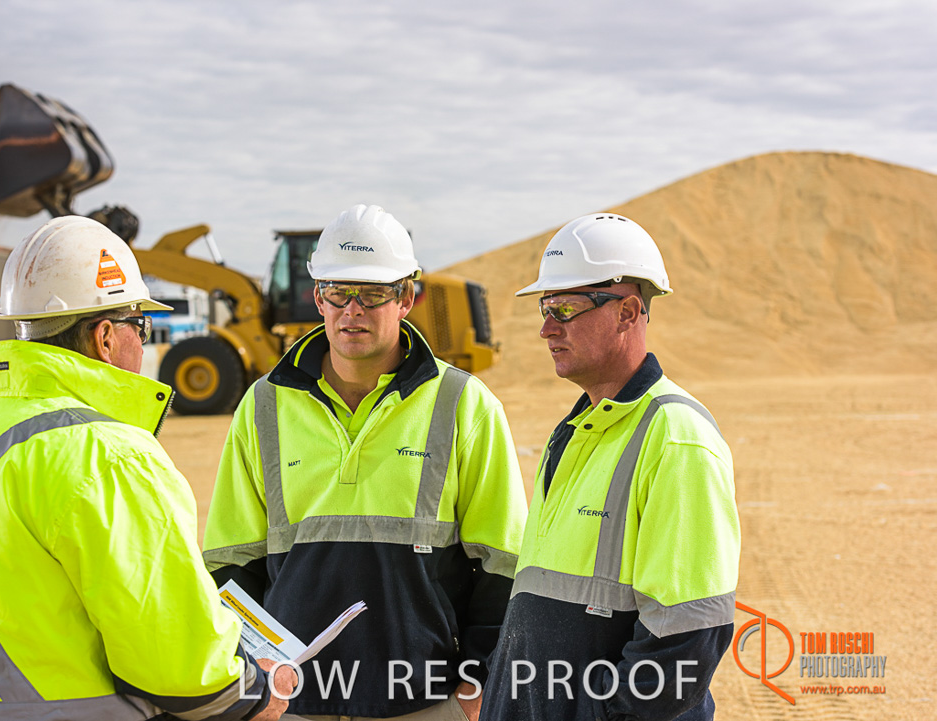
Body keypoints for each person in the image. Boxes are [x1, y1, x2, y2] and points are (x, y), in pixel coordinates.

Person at [0, 216, 294, 721]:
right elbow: (176, 659)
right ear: (105, 337)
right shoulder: (110, 454)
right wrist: (252, 693)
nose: (143, 344)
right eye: (140, 326)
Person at [202, 204, 527, 720]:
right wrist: (254, 675)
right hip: (293, 703)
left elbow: (502, 563)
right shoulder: (262, 406)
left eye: (373, 293)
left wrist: (479, 680)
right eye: (339, 292)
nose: (352, 309)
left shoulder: (465, 404)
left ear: (406, 299)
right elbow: (231, 562)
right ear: (318, 297)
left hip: (425, 702)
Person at [480, 213, 741, 721]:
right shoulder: (575, 431)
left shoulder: (676, 438)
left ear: (627, 311)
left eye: (566, 308)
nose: (546, 328)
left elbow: (684, 644)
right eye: (545, 308)